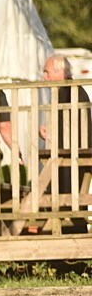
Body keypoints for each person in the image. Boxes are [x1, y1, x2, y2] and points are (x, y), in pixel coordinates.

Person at [39, 55, 91, 233]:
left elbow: (71, 127)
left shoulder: (69, 91)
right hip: (71, 152)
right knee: (68, 195)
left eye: (46, 72)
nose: (43, 77)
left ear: (59, 72)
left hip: (72, 154)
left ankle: (72, 233)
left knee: (68, 195)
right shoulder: (67, 91)